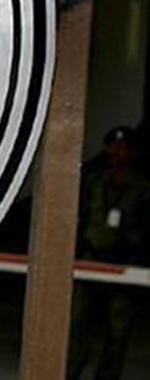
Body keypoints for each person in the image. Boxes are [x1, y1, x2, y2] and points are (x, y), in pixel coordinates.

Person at [67, 125, 150, 380]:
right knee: (79, 327)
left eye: (123, 148)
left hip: (124, 265)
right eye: (113, 147)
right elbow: (81, 217)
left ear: (133, 153)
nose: (117, 152)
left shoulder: (142, 187)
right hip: (91, 261)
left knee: (117, 332)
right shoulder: (94, 182)